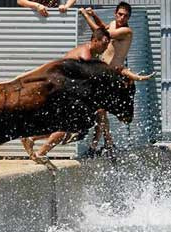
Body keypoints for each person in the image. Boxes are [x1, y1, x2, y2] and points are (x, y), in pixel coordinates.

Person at [20, 28, 111, 165]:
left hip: (62, 90)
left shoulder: (91, 55)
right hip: (60, 90)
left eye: (107, 44)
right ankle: (41, 153)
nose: (105, 47)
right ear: (94, 41)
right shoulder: (85, 56)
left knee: (68, 127)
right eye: (104, 44)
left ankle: (31, 138)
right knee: (67, 127)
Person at [79, 2, 134, 158]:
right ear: (115, 13)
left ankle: (100, 144)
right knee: (100, 110)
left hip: (114, 75)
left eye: (126, 15)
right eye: (120, 14)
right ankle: (106, 144)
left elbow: (102, 34)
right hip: (104, 74)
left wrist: (86, 15)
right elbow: (104, 29)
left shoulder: (127, 31)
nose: (122, 17)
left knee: (101, 109)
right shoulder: (112, 25)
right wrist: (95, 16)